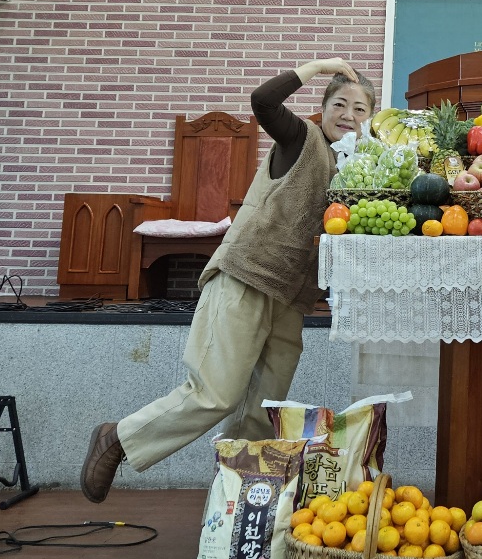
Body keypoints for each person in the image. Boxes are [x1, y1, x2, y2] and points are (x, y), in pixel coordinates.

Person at [80, 58, 375, 503]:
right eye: (339, 104)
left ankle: (236, 508)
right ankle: (118, 437)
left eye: (359, 109)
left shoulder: (357, 169)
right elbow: (263, 101)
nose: (347, 115)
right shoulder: (301, 138)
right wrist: (320, 66)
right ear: (323, 107)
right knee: (215, 394)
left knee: (261, 412)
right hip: (246, 277)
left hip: (291, 299)